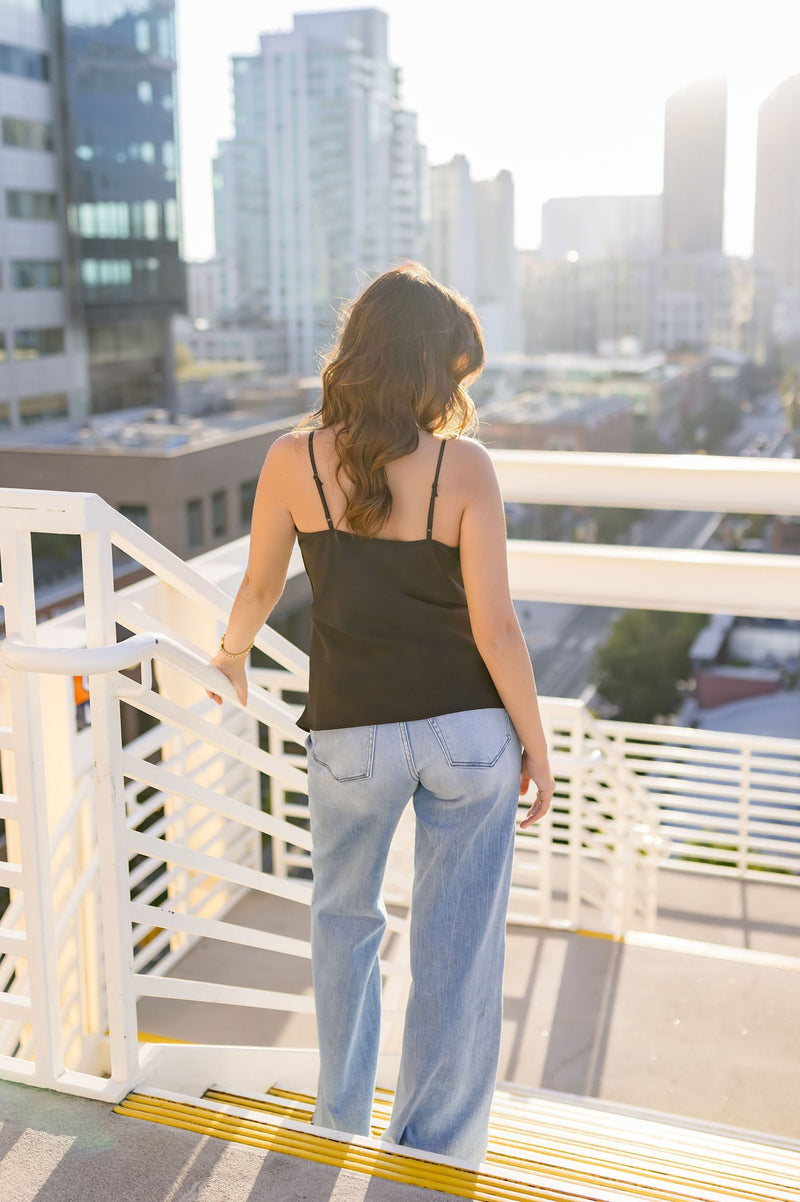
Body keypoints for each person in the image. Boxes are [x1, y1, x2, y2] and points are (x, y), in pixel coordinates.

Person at [205, 261, 556, 1164]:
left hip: (350, 736)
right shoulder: (464, 468)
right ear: (430, 367)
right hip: (467, 733)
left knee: (344, 924)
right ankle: (432, 1150)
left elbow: (256, 585)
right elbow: (497, 626)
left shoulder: (291, 461)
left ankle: (337, 1125)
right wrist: (537, 744)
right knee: (457, 943)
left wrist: (230, 657)